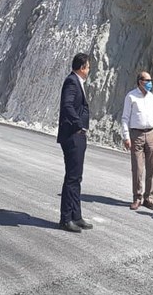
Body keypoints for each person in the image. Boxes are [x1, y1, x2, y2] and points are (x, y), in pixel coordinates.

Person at [57, 53, 93, 233]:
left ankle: (76, 216)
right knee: (72, 178)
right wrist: (79, 125)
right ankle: (65, 219)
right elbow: (67, 105)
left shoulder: (77, 82)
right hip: (72, 135)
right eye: (88, 66)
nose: (89, 69)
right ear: (82, 67)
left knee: (77, 177)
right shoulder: (72, 81)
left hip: (78, 135)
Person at [121, 71, 153, 210]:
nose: (150, 83)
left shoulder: (151, 97)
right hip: (136, 135)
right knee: (138, 168)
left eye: (151, 80)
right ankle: (137, 198)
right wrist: (126, 137)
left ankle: (148, 198)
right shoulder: (131, 96)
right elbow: (125, 118)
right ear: (140, 81)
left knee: (152, 167)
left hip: (151, 133)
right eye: (147, 80)